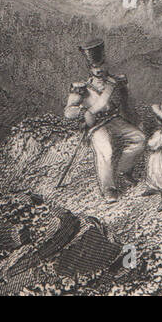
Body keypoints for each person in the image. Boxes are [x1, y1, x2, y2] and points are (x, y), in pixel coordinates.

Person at [63, 38, 147, 203]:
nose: (99, 70)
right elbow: (68, 112)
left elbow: (128, 103)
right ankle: (109, 188)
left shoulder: (115, 82)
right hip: (96, 126)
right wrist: (84, 112)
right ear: (90, 69)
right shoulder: (81, 88)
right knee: (106, 152)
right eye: (95, 67)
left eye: (101, 66)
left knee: (139, 139)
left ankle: (123, 170)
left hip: (114, 120)